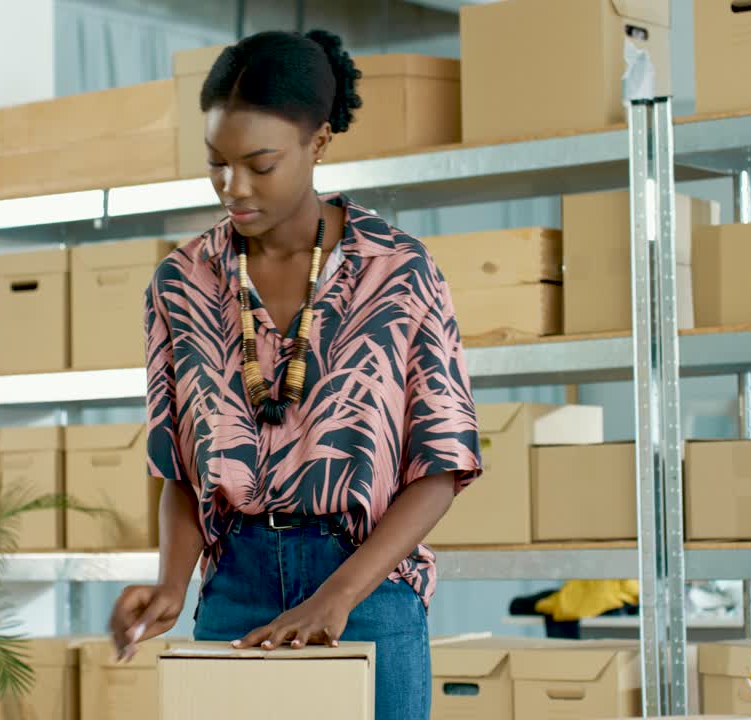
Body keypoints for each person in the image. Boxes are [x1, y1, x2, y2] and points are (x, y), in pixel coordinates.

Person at [109, 29, 482, 720]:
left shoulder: (398, 271)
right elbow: (181, 472)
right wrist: (169, 585)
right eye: (216, 163)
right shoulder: (179, 283)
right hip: (235, 591)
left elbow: (439, 469)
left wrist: (337, 595)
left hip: (366, 588)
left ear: (320, 144)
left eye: (260, 163)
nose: (234, 187)